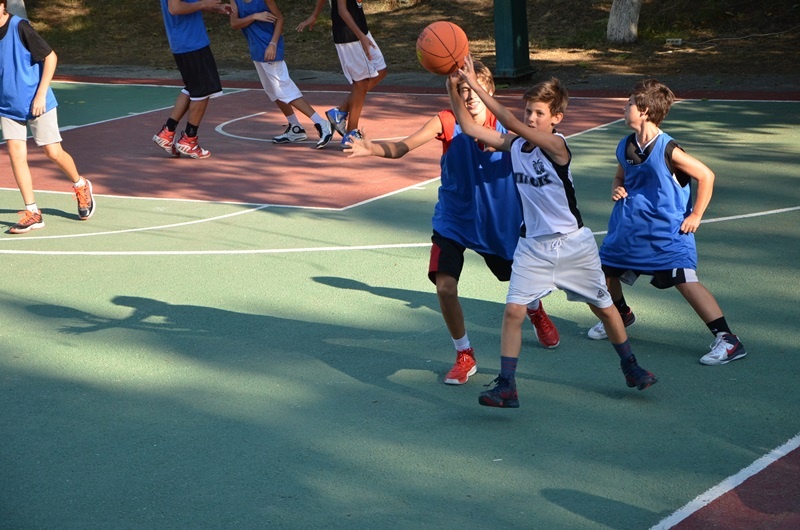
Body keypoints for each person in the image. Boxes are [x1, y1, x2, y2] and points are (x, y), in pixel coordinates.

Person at [450, 56, 658, 408]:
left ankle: (631, 367)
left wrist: (477, 85)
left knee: (605, 309)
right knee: (514, 311)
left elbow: (510, 122)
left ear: (556, 119)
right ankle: (507, 385)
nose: (531, 118)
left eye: (539, 114)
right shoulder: (516, 147)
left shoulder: (558, 146)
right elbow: (470, 129)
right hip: (532, 247)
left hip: (573, 244)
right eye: (529, 111)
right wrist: (453, 88)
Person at [344, 60, 560, 386]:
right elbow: (403, 147)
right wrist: (369, 148)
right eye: (463, 90)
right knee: (445, 287)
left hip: (497, 221)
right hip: (454, 219)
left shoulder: (506, 128)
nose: (470, 96)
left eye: (476, 90)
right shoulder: (445, 121)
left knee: (518, 279)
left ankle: (535, 309)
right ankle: (464, 353)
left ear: (489, 93)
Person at [588, 78, 746, 366]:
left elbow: (706, 175)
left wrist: (696, 214)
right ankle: (621, 314)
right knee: (603, 273)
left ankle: (728, 340)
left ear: (644, 110)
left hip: (666, 231)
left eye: (628, 104)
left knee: (685, 281)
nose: (623, 108)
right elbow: (621, 176)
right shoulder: (626, 145)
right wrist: (616, 187)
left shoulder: (668, 149)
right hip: (629, 229)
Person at [0, 0, 95, 234]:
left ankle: (80, 185)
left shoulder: (20, 26)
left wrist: (41, 94)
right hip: (8, 106)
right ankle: (32, 212)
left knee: (52, 152)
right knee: (16, 155)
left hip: (37, 102)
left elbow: (50, 57)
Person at [228, 0, 333, 149]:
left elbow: (280, 19)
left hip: (270, 48)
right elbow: (234, 23)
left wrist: (273, 44)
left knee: (284, 89)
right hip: (257, 51)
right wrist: (254, 16)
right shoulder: (235, 1)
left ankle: (321, 123)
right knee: (273, 91)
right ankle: (295, 127)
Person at [297, 0, 387, 147]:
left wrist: (314, 15)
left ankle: (340, 111)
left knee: (381, 71)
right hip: (350, 34)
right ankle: (351, 134)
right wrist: (361, 36)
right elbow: (342, 10)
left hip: (360, 29)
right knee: (361, 82)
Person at [153, 0, 230, 159]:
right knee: (202, 91)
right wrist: (204, 4)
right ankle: (189, 139)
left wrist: (215, 8)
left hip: (186, 41)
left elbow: (189, 4)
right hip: (191, 43)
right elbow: (175, 8)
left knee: (192, 88)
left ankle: (168, 132)